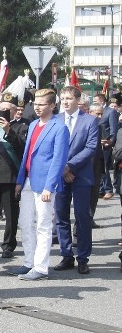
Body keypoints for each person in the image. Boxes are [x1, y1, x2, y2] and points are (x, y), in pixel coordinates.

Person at [13, 89, 69, 281]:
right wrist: (20, 180)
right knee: (25, 223)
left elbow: (58, 160)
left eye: (42, 104)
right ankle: (28, 262)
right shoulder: (34, 124)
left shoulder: (59, 127)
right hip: (28, 180)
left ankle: (41, 267)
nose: (37, 107)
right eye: (35, 103)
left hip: (45, 183)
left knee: (43, 226)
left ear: (53, 105)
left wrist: (49, 186)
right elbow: (27, 155)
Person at [53, 86, 99, 275]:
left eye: (69, 98)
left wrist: (69, 166)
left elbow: (90, 148)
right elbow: (53, 147)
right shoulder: (55, 120)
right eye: (62, 98)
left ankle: (83, 257)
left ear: (78, 100)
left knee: (82, 217)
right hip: (60, 175)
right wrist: (63, 170)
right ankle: (66, 255)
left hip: (81, 175)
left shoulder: (90, 121)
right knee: (61, 216)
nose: (65, 101)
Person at [0, 98, 28, 258]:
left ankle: (8, 244)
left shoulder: (22, 126)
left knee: (10, 213)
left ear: (15, 111)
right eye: (2, 109)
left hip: (10, 174)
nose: (4, 112)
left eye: (8, 110)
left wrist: (8, 130)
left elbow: (21, 147)